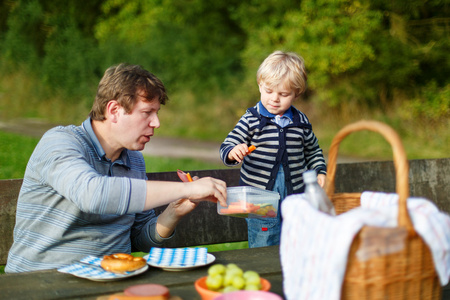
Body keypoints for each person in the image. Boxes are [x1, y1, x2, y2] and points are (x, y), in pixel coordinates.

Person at [6, 63, 227, 273]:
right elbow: (93, 195)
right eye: (147, 112)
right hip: (42, 281)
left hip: (113, 280)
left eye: (157, 112)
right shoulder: (60, 142)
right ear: (114, 110)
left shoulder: (134, 160)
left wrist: (174, 211)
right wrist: (187, 189)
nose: (156, 123)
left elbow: (140, 238)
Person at [219, 51, 327, 248]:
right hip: (259, 198)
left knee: (295, 241)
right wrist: (233, 151)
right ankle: (264, 275)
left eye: (283, 94)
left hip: (295, 198)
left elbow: (312, 151)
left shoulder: (301, 122)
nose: (274, 99)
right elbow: (227, 146)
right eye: (269, 91)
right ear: (260, 85)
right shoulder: (251, 119)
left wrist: (319, 170)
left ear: (297, 93)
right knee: (264, 240)